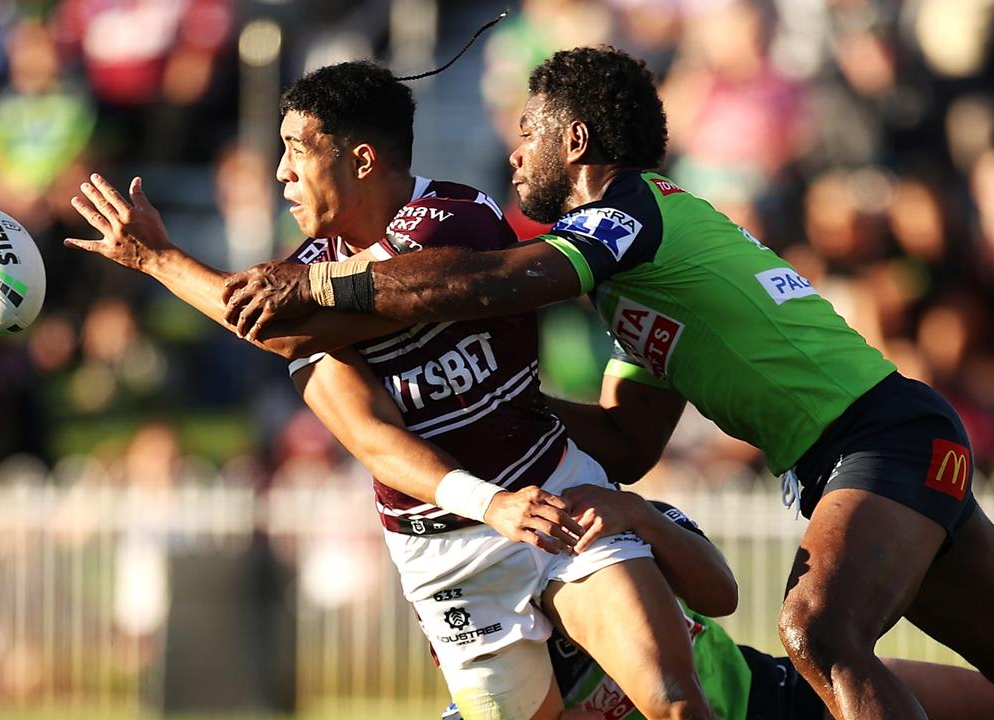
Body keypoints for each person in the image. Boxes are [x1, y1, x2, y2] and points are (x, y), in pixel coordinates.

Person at [221, 47, 994, 719]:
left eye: (529, 127)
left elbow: (507, 280)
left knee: (819, 631)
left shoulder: (630, 214)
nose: (514, 145)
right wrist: (480, 408)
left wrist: (320, 282)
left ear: (574, 139)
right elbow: (628, 443)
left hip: (882, 437)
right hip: (874, 449)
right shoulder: (634, 280)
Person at [65, 61, 711, 720]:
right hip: (445, 555)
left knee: (674, 702)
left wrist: (161, 260)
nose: (281, 172)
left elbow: (315, 314)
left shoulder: (457, 219)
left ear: (363, 160)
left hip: (555, 492)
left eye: (296, 150)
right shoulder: (294, 279)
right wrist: (490, 506)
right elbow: (373, 437)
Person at [445, 484, 994, 720]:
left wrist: (640, 516)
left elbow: (722, 593)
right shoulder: (489, 603)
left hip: (769, 693)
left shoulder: (613, 516)